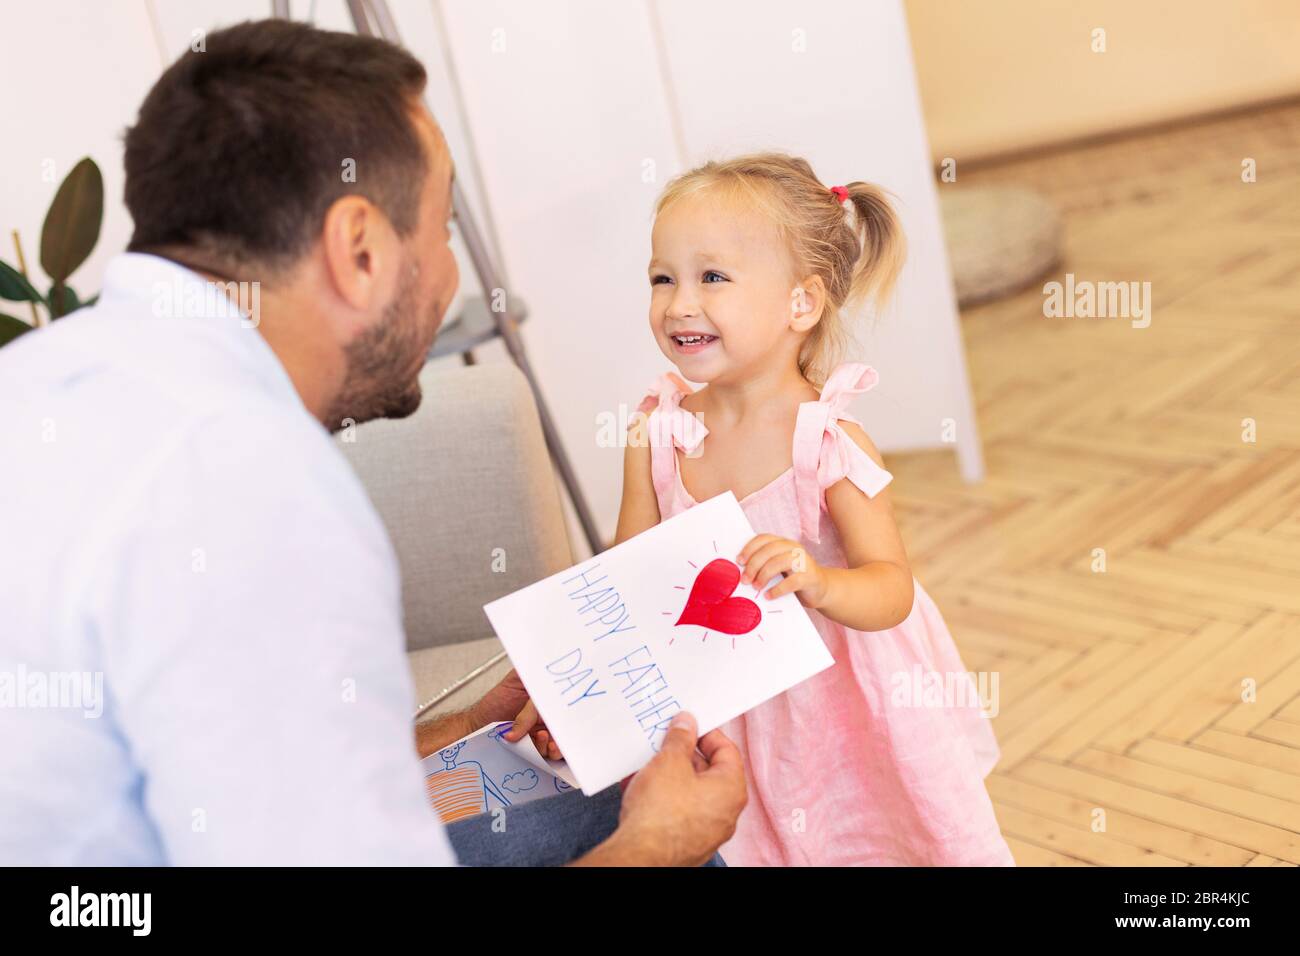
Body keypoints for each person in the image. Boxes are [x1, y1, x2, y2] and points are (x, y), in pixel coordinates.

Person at [0, 19, 744, 866]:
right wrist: (658, 846)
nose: (452, 277)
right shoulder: (257, 486)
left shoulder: (43, 381)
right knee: (641, 817)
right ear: (359, 249)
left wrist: (466, 725)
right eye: (440, 231)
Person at [517, 153, 1014, 865]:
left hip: (843, 704)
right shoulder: (657, 430)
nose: (679, 303)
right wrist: (573, 690)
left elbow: (891, 588)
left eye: (711, 277)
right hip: (725, 705)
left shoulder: (830, 442)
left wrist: (817, 579)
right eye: (663, 278)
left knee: (875, 840)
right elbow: (628, 581)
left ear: (801, 304)